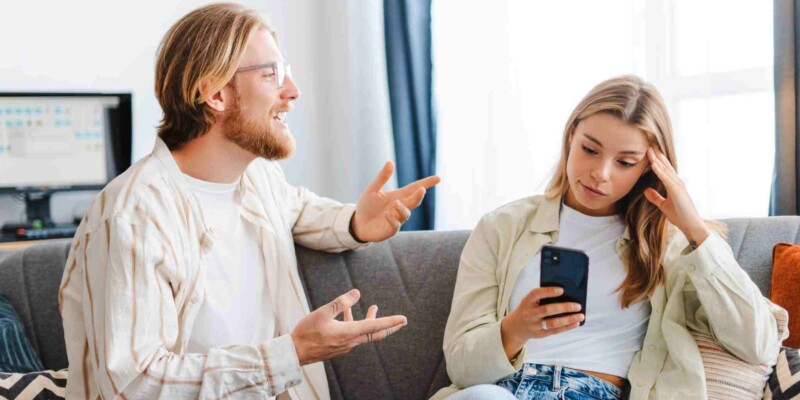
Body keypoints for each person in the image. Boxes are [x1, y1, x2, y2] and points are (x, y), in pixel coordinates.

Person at [58, 3, 439, 399]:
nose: (292, 91)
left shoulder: (258, 179)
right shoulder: (132, 216)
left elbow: (299, 210)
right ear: (214, 94)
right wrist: (290, 353)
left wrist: (357, 222)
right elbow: (135, 384)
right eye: (271, 74)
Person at [432, 75, 785, 400]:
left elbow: (758, 344)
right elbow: (461, 367)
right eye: (590, 149)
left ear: (649, 166)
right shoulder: (501, 227)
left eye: (625, 162)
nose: (600, 174)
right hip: (498, 392)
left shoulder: (669, 246)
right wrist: (514, 330)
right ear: (571, 136)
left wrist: (694, 228)